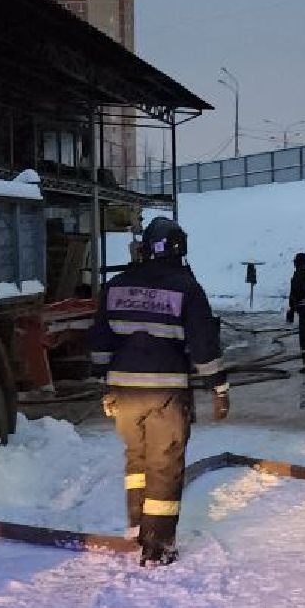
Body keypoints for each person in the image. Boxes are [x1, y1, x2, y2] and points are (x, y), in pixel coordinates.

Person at [89, 216, 228, 566]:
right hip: (165, 391)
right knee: (164, 464)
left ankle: (137, 527)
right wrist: (219, 387)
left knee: (137, 459)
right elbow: (203, 345)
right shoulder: (187, 288)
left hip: (123, 392)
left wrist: (103, 384)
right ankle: (158, 546)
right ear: (180, 248)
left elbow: (100, 342)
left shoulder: (117, 285)